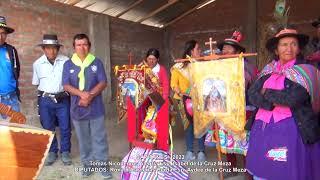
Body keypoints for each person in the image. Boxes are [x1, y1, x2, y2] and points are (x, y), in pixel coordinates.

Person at [246, 25, 320, 180]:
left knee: (287, 170)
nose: (289, 48)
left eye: (293, 44)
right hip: (263, 129)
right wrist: (270, 103)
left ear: (299, 48)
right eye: (284, 44)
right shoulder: (268, 70)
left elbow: (293, 97)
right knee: (264, 167)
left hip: (292, 130)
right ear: (276, 49)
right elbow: (252, 94)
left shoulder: (306, 71)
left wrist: (266, 93)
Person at [62, 34, 112, 179]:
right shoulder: (68, 64)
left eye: (84, 44)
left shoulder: (96, 62)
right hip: (77, 108)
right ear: (74, 47)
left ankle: (103, 165)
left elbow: (103, 82)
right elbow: (65, 85)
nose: (82, 48)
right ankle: (87, 165)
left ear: (89, 46)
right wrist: (82, 95)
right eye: (78, 45)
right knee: (83, 139)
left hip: (95, 107)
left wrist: (89, 95)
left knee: (99, 138)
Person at [210, 31, 257, 172]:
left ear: (237, 51)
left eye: (229, 48)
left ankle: (249, 169)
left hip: (244, 109)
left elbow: (249, 83)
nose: (225, 51)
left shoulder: (246, 65)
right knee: (227, 139)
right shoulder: (219, 65)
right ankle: (232, 167)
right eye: (224, 48)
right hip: (224, 109)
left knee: (244, 140)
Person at [32, 34, 71, 166]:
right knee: (48, 127)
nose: (51, 51)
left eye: (54, 48)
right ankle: (52, 151)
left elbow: (71, 81)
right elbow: (36, 83)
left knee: (65, 126)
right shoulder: (37, 64)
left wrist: (63, 92)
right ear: (43, 49)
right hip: (45, 100)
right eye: (48, 48)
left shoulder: (66, 61)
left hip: (63, 99)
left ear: (58, 48)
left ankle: (65, 151)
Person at [170, 40, 206, 161]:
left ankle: (201, 151)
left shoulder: (202, 65)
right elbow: (173, 84)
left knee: (201, 124)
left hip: (200, 99)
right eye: (198, 49)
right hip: (182, 100)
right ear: (191, 51)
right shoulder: (178, 67)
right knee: (188, 126)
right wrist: (183, 93)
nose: (200, 51)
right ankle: (189, 151)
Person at [0, 16, 20, 120]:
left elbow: (17, 71)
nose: (0, 37)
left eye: (3, 33)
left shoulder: (11, 50)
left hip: (12, 98)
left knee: (15, 131)